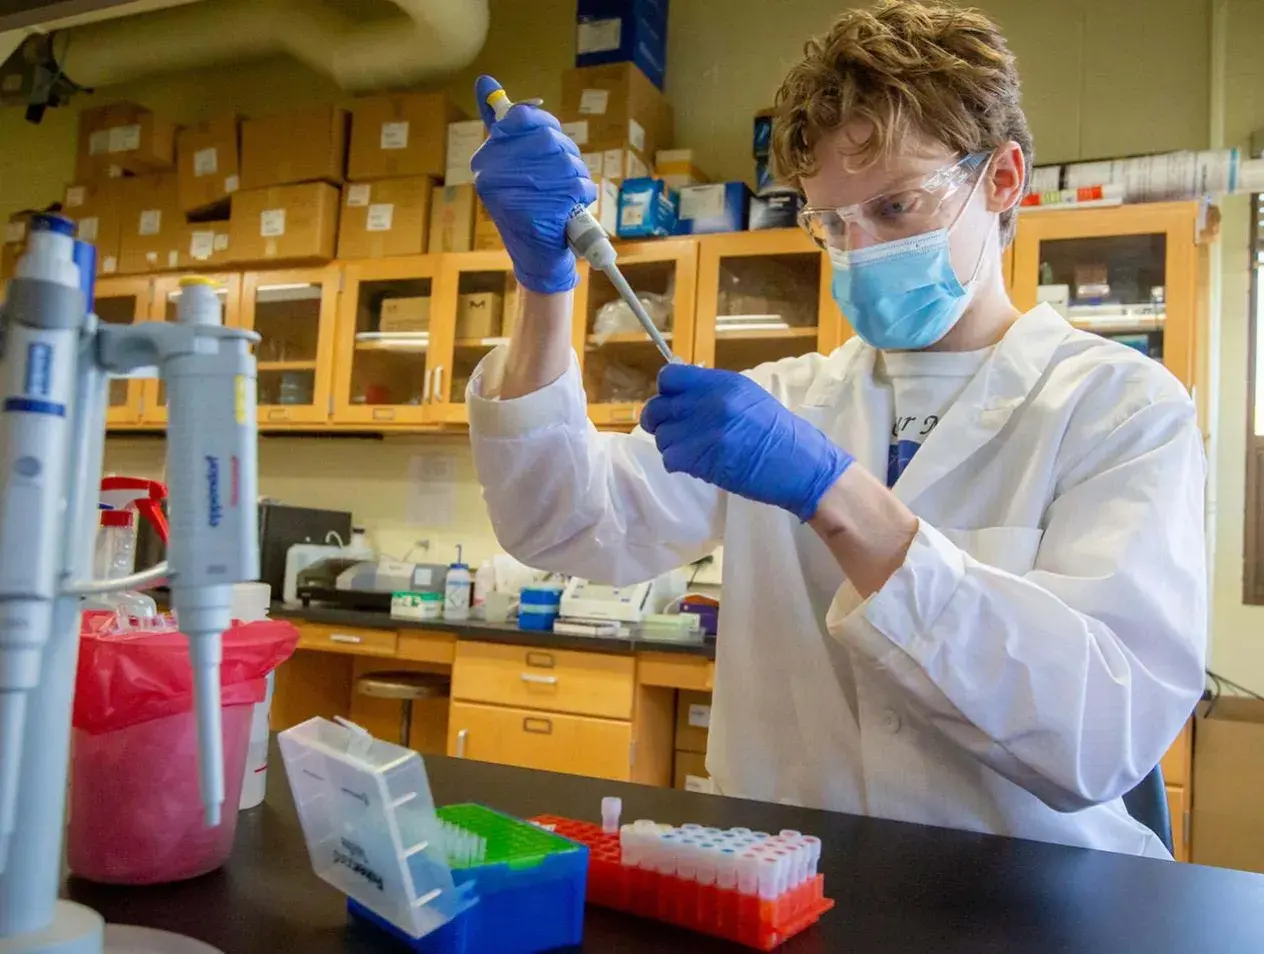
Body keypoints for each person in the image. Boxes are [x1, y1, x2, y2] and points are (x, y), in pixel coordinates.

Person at [466, 0, 1206, 858]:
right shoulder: (787, 396)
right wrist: (546, 283)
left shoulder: (1121, 407)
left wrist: (835, 495)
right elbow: (564, 520)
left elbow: (1102, 733)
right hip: (783, 890)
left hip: (1025, 904)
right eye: (833, 224)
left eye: (895, 207)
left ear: (1002, 180)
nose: (860, 252)